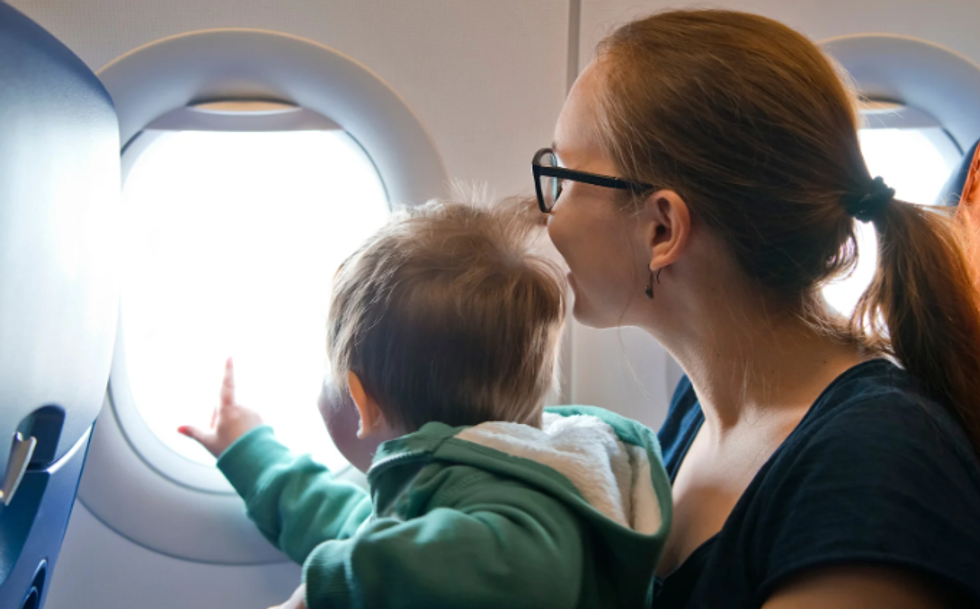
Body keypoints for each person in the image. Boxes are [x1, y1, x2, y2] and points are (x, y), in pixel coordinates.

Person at [537, 9, 980, 608]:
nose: (549, 214)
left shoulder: (872, 467)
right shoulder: (702, 408)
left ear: (662, 228)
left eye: (564, 177)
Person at [179, 199, 673, 609]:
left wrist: (322, 591)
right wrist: (248, 450)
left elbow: (526, 568)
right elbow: (355, 524)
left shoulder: (521, 506)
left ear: (361, 402)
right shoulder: (461, 480)